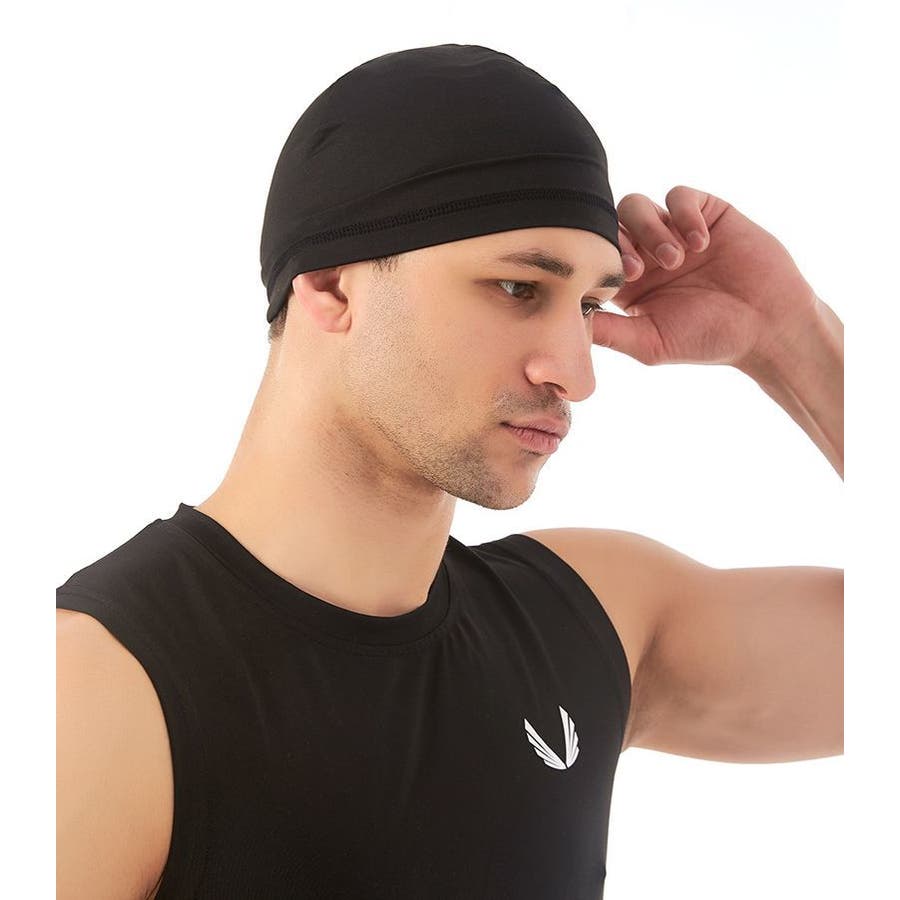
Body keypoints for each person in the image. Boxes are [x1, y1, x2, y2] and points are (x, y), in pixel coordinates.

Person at [56, 44, 843, 899]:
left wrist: (792, 337)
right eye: (517, 289)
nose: (576, 373)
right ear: (332, 286)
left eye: (588, 305)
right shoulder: (95, 688)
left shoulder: (588, 625)